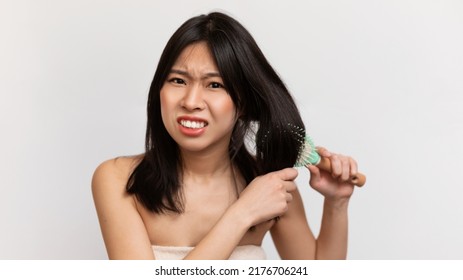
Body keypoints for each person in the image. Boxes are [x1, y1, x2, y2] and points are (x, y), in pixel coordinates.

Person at [92, 12, 360, 260]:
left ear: (243, 103)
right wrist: (242, 214)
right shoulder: (118, 179)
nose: (191, 101)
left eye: (215, 85)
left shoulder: (269, 182)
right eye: (178, 80)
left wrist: (336, 203)